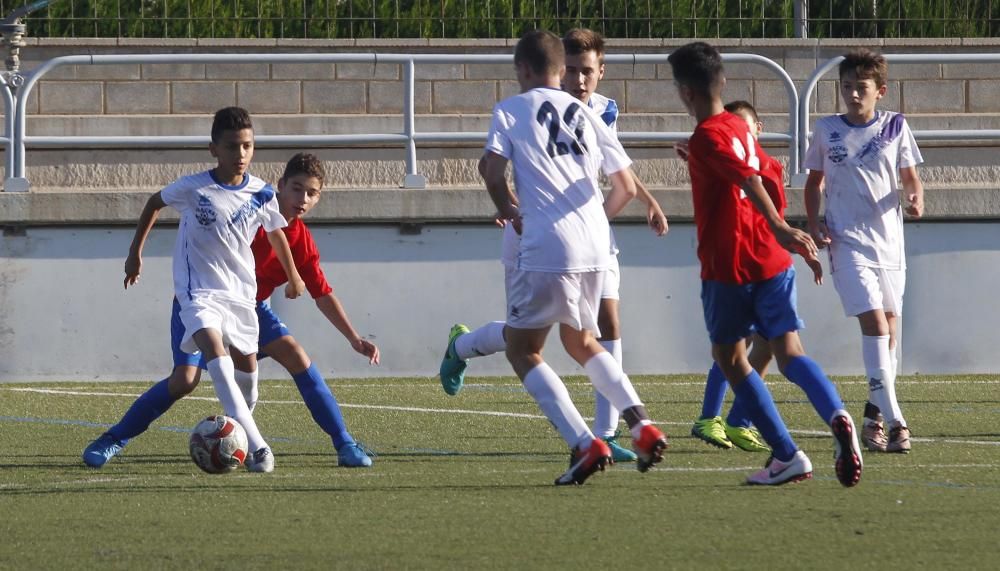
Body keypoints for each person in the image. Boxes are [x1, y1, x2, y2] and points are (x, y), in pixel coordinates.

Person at [439, 28, 668, 465]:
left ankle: (585, 444)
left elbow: (491, 171)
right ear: (562, 71)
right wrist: (593, 220)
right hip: (596, 244)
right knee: (582, 341)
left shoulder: (510, 109)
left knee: (524, 349)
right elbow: (624, 188)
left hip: (545, 244)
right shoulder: (588, 113)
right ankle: (641, 422)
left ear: (522, 69)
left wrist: (507, 206)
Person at [667, 41, 863, 486]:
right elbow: (769, 172)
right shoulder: (737, 127)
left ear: (685, 92)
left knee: (730, 357)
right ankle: (836, 412)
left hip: (731, 262)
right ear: (722, 83)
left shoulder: (707, 136)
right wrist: (783, 233)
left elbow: (745, 176)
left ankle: (787, 453)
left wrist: (777, 225)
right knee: (789, 352)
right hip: (772, 261)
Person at [82, 107, 304, 473]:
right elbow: (154, 203)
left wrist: (293, 275)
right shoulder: (193, 187)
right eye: (232, 147)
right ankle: (114, 439)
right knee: (190, 377)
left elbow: (275, 230)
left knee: (247, 373)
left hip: (239, 297)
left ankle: (238, 436)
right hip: (196, 294)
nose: (241, 154)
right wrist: (135, 254)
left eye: (247, 146)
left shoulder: (261, 191)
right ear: (214, 149)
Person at [803, 49, 924, 454]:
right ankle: (896, 422)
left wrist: (914, 197)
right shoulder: (826, 129)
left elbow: (910, 178)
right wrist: (814, 220)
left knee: (889, 328)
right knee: (875, 323)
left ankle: (872, 417)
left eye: (862, 88)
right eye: (847, 87)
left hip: (890, 243)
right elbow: (813, 181)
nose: (853, 95)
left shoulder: (895, 127)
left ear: (880, 91)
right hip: (847, 240)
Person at [688, 101, 822, 453]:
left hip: (766, 265)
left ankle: (738, 420)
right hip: (742, 267)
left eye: (747, 128)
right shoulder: (739, 168)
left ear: (758, 129)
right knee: (740, 348)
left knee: (761, 348)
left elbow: (773, 219)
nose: (741, 135)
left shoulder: (767, 166)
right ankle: (712, 418)